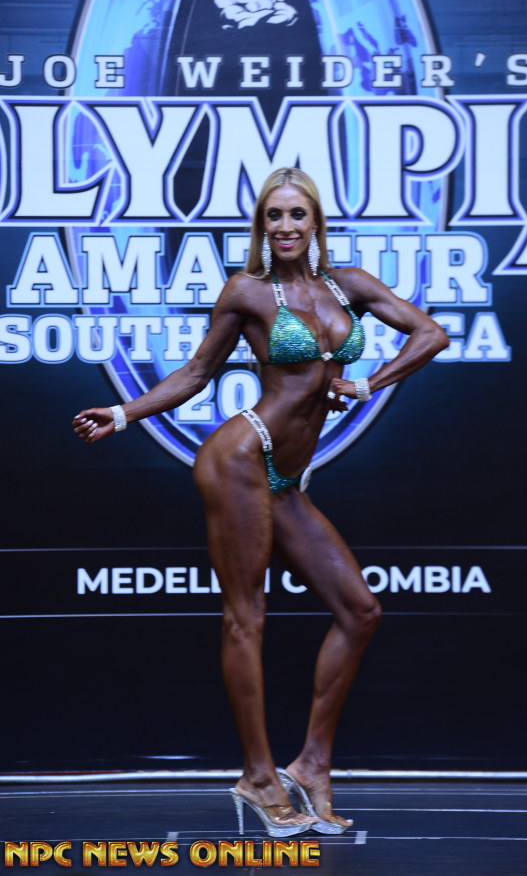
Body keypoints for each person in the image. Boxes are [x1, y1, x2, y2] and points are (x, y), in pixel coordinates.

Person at [72, 167, 449, 837]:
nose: (285, 226)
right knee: (246, 618)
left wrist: (368, 383)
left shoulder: (350, 285)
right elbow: (196, 372)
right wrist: (124, 414)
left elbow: (430, 335)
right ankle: (257, 776)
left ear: (315, 222)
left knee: (360, 610)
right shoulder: (246, 291)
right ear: (260, 226)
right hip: (240, 457)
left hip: (287, 479)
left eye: (296, 214)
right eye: (273, 216)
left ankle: (312, 764)